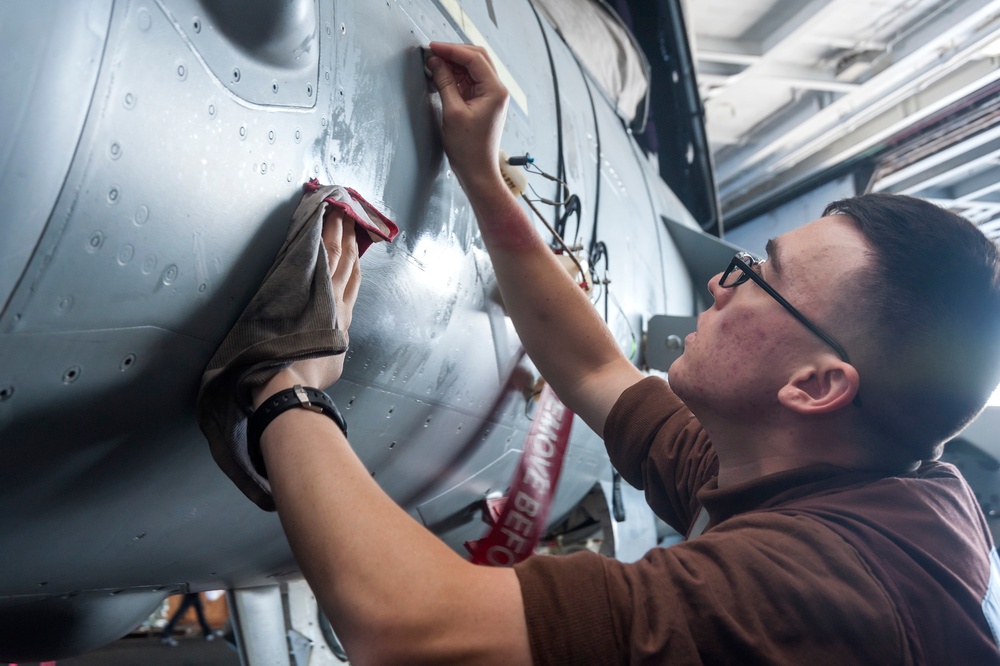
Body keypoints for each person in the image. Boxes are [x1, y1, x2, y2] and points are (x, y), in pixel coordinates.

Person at [247, 42, 1000, 663]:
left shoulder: (820, 593)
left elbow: (415, 625)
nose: (719, 282)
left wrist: (289, 388)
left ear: (815, 385)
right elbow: (594, 368)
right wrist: (483, 174)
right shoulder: (821, 462)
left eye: (758, 277)